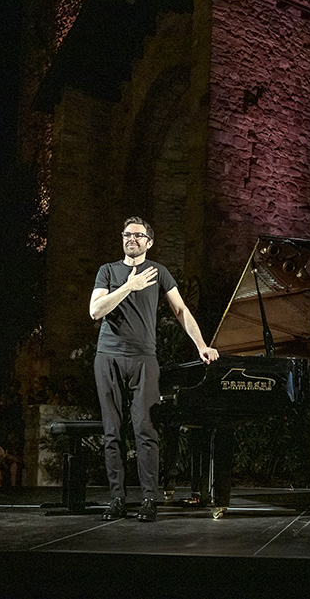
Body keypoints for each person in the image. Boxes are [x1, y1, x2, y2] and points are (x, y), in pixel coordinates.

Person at [90, 216, 219, 522]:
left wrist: (201, 345)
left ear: (149, 241)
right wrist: (128, 286)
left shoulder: (158, 272)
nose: (130, 239)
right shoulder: (108, 271)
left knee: (145, 429)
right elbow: (96, 311)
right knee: (112, 432)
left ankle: (149, 498)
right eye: (126, 235)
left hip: (144, 359)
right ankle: (117, 498)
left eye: (137, 235)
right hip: (108, 356)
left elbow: (181, 310)